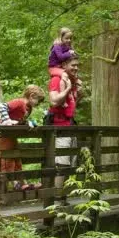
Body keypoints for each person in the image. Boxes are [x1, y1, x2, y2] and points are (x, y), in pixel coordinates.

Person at [0, 85, 46, 191]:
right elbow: (2, 106)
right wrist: (7, 120)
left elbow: (20, 121)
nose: (38, 104)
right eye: (38, 101)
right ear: (32, 95)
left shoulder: (29, 108)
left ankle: (22, 183)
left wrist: (29, 123)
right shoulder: (20, 102)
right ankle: (14, 183)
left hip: (13, 136)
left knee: (17, 158)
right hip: (4, 136)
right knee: (7, 159)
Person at [48, 55, 82, 189]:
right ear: (64, 65)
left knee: (70, 164)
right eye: (73, 65)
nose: (76, 68)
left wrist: (78, 94)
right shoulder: (57, 80)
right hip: (60, 128)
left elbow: (70, 107)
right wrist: (68, 89)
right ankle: (57, 199)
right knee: (62, 164)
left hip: (70, 126)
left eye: (77, 65)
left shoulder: (71, 82)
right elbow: (54, 101)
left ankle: (62, 197)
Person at [48, 27, 75, 92]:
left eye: (70, 38)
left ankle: (72, 93)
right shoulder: (57, 46)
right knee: (64, 75)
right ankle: (63, 93)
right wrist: (69, 53)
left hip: (61, 67)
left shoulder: (66, 46)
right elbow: (60, 57)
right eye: (66, 38)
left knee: (73, 77)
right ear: (61, 38)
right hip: (54, 68)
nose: (69, 40)